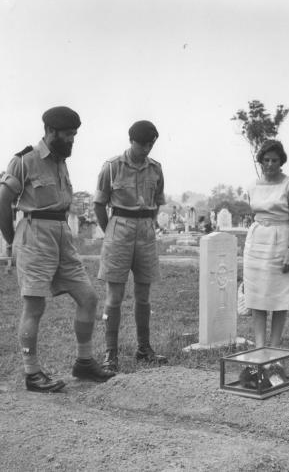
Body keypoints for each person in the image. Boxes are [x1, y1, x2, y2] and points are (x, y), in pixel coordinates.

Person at [0, 106, 115, 392]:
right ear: (50, 131)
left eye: (75, 135)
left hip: (62, 234)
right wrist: (13, 240)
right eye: (67, 135)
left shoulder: (62, 160)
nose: (72, 140)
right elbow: (2, 201)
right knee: (34, 305)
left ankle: (84, 363)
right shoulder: (24, 162)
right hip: (34, 234)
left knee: (88, 298)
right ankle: (32, 373)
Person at [93, 120, 167, 372]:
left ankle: (144, 348)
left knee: (144, 296)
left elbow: (157, 201)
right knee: (114, 296)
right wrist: (111, 231)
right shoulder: (112, 167)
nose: (147, 149)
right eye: (143, 143)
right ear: (131, 140)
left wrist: (147, 223)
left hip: (145, 230)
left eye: (151, 144)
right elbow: (99, 204)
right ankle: (110, 353)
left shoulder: (156, 169)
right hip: (119, 229)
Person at [243, 140, 289, 348]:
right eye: (266, 160)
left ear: (281, 161)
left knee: (278, 297)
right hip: (257, 241)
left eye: (274, 160)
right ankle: (259, 348)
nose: (270, 164)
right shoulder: (252, 186)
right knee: (257, 296)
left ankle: (274, 348)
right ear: (260, 161)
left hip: (281, 239)